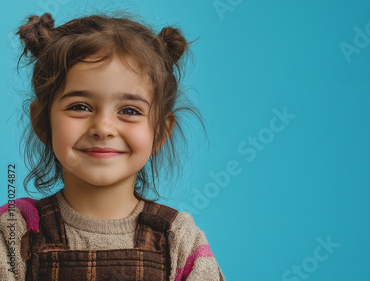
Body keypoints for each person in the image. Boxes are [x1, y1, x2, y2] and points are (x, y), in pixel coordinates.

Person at [0, 12, 224, 280]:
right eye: (80, 107)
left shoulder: (180, 238)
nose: (103, 128)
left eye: (129, 110)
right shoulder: (16, 230)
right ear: (42, 123)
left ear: (160, 132)